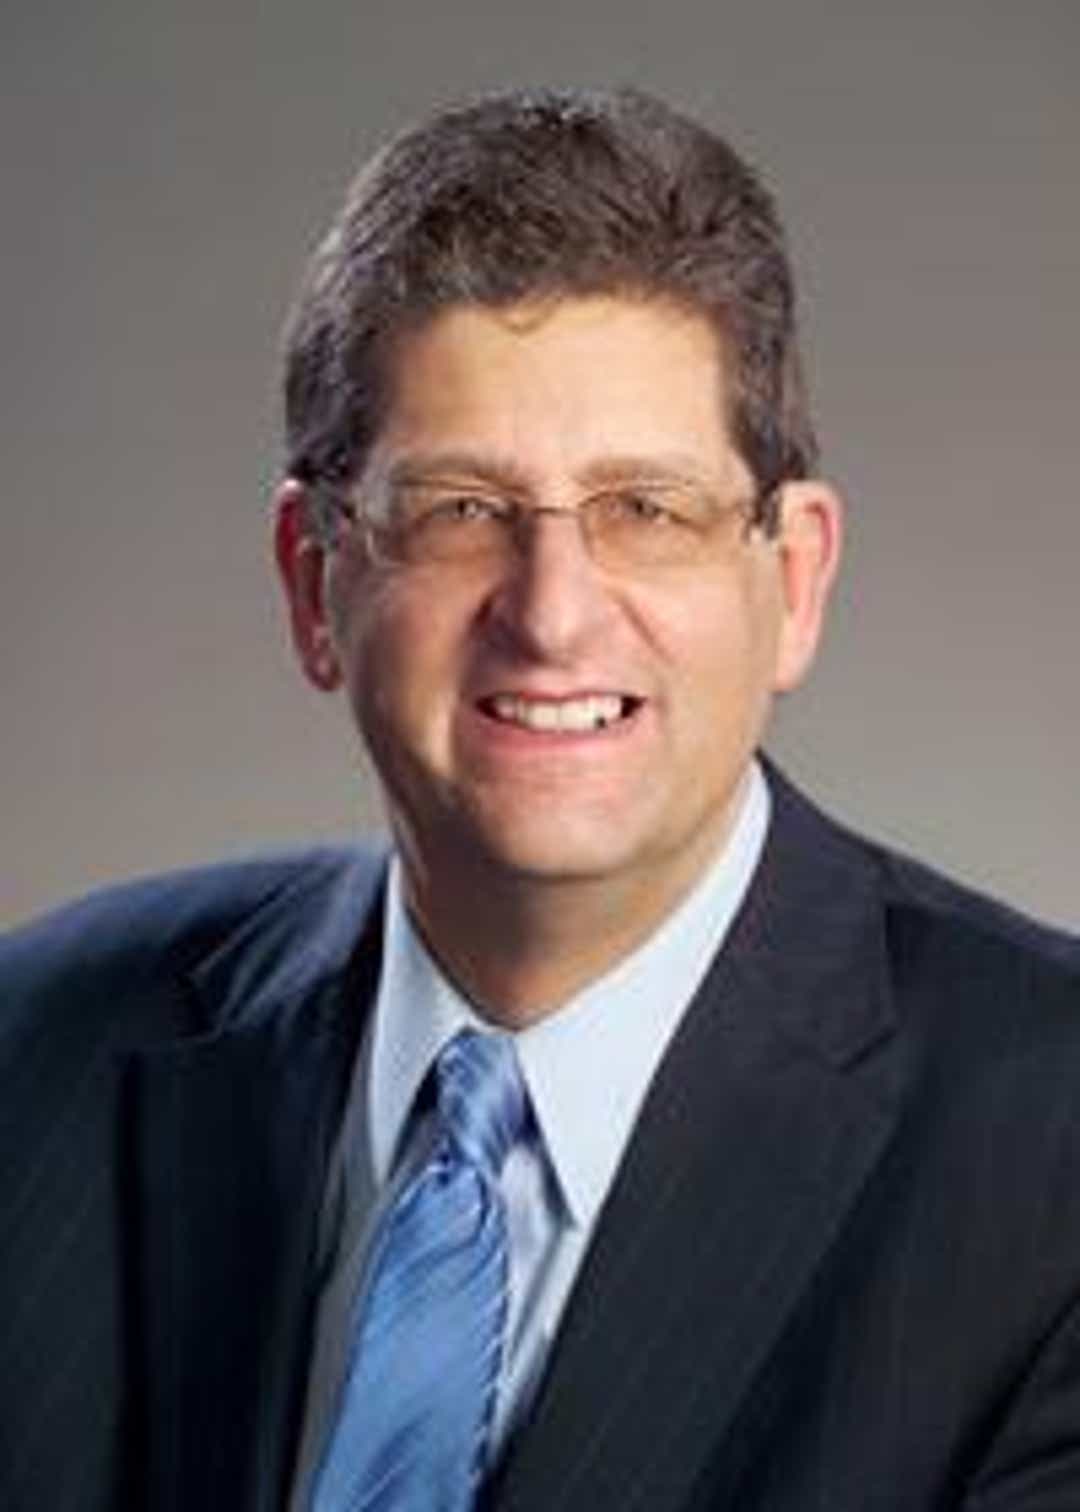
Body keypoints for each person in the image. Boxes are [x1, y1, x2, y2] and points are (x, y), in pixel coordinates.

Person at [2, 86, 1078, 1512]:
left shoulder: (1051, 1162)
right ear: (315, 582)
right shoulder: (40, 1052)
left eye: (648, 509)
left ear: (795, 578)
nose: (553, 615)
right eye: (459, 510)